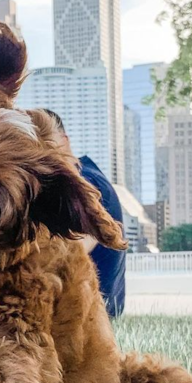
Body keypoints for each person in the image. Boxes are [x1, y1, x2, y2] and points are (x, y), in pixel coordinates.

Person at [43, 110, 126, 317]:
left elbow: (73, 251)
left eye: (44, 141)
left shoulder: (86, 182)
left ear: (64, 141)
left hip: (91, 314)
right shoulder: (84, 176)